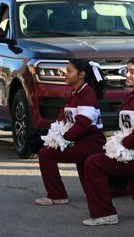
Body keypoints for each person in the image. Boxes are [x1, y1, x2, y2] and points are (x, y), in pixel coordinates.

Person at [80, 57, 134, 226]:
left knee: (94, 163)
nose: (127, 74)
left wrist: (126, 143)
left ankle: (105, 213)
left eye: (132, 71)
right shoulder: (133, 95)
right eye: (127, 70)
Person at [35, 59, 106, 205]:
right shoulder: (75, 92)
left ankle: (57, 195)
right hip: (81, 140)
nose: (65, 74)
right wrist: (52, 135)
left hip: (91, 142)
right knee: (93, 189)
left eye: (69, 71)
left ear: (81, 74)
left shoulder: (87, 93)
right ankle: (122, 190)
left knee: (46, 154)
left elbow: (83, 122)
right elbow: (64, 118)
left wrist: (64, 138)